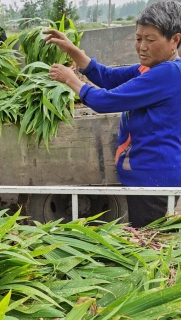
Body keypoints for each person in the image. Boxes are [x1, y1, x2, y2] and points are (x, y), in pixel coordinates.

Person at [43, 0, 181, 227]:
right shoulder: (151, 68)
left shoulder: (167, 74)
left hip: (154, 179)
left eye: (150, 40)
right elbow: (107, 77)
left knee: (149, 241)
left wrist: (71, 80)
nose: (142, 47)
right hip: (147, 176)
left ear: (175, 40)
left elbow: (106, 101)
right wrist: (73, 50)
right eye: (138, 39)